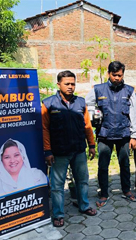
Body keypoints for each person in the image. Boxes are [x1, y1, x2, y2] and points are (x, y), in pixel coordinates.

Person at [42, 70, 97, 227]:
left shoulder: (81, 103)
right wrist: (47, 151)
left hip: (78, 150)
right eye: (67, 84)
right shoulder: (48, 104)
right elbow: (44, 128)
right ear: (58, 84)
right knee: (57, 186)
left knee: (82, 181)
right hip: (59, 153)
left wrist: (91, 145)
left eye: (73, 83)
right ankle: (58, 214)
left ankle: (84, 206)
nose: (70, 87)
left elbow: (87, 125)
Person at [86, 61, 136, 206]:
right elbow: (85, 104)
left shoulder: (129, 90)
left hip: (123, 134)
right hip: (105, 134)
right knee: (103, 165)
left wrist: (134, 135)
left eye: (120, 75)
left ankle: (126, 190)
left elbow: (133, 114)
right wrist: (94, 114)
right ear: (108, 74)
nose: (117, 78)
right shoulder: (98, 89)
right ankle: (103, 193)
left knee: (125, 164)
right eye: (114, 75)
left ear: (123, 74)